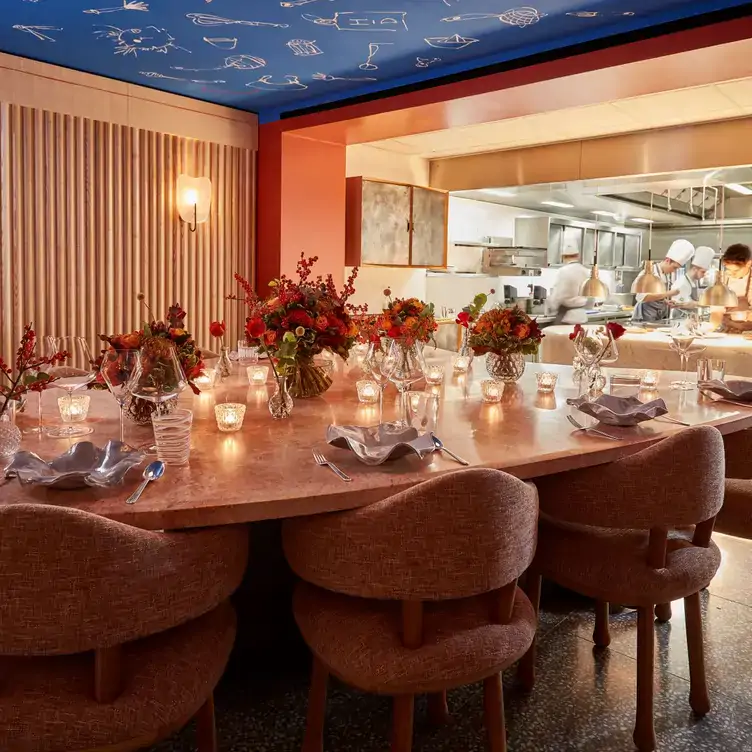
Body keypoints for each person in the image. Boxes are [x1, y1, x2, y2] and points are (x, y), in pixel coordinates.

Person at [631, 239, 695, 323]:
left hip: (659, 318)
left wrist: (666, 301)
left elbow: (657, 295)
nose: (674, 271)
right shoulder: (648, 274)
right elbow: (641, 297)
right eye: (674, 267)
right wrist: (668, 294)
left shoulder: (668, 275)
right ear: (667, 260)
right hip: (644, 318)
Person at [670, 245, 715, 316]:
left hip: (689, 318)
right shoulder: (682, 283)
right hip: (680, 318)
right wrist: (708, 303)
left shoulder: (692, 282)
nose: (704, 275)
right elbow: (685, 304)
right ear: (694, 269)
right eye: (703, 272)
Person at [550, 246, 590, 324]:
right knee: (581, 336)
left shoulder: (563, 271)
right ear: (577, 256)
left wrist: (552, 308)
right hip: (582, 316)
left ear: (564, 257)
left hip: (567, 317)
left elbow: (557, 296)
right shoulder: (585, 271)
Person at [721, 243, 752, 310]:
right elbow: (716, 307)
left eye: (736, 271)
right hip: (725, 319)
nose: (731, 274)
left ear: (748, 264)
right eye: (728, 269)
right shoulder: (723, 278)